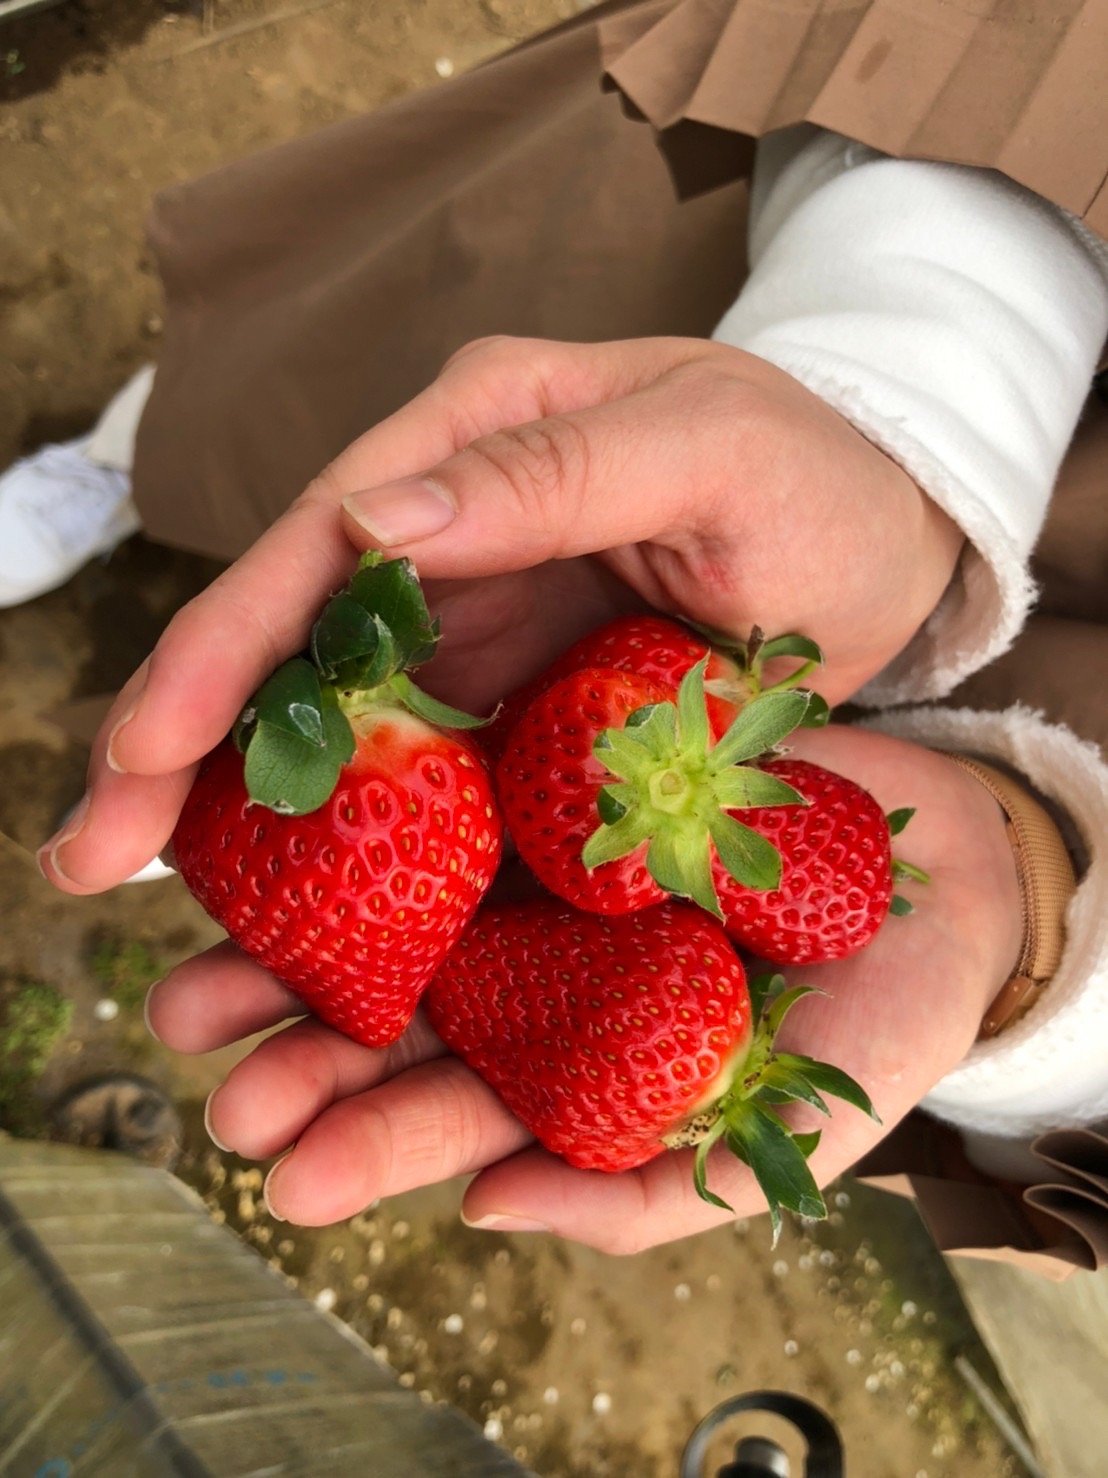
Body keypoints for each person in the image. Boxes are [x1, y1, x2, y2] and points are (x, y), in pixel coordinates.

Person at [22, 0, 1108, 1268]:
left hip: (704, 710)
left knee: (364, 570)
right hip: (779, 346)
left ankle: (191, 587)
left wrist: (1041, 930)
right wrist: (900, 405)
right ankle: (142, 448)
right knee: (381, 404)